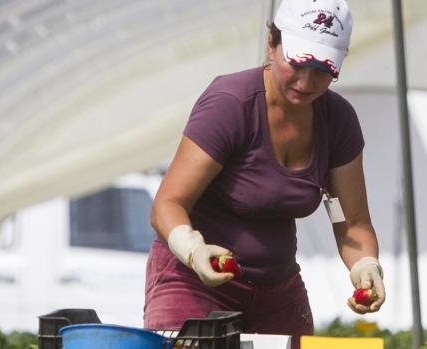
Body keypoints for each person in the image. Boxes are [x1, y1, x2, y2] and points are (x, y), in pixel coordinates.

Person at [143, 0, 385, 347]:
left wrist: (366, 266)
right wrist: (195, 251)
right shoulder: (230, 104)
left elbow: (352, 221)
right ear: (272, 43)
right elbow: (167, 203)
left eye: (322, 69)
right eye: (297, 62)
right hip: (192, 282)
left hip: (277, 289)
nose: (306, 81)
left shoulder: (339, 122)